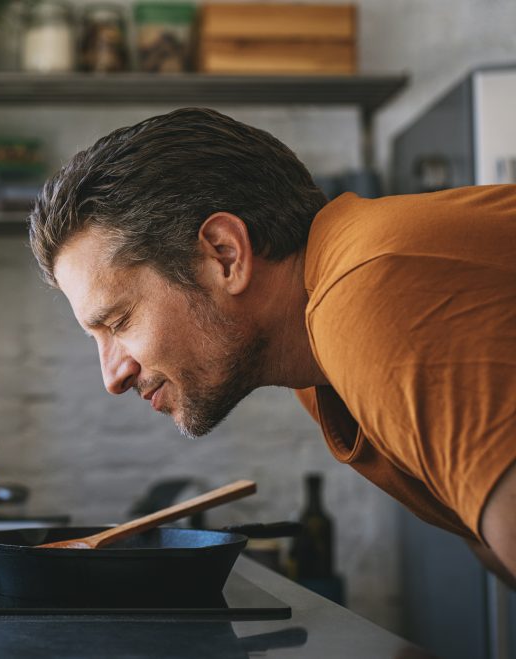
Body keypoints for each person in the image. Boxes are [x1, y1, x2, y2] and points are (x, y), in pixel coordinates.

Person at [28, 107, 516, 584]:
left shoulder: (366, 293)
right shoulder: (312, 359)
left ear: (225, 254)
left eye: (119, 321)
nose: (112, 377)